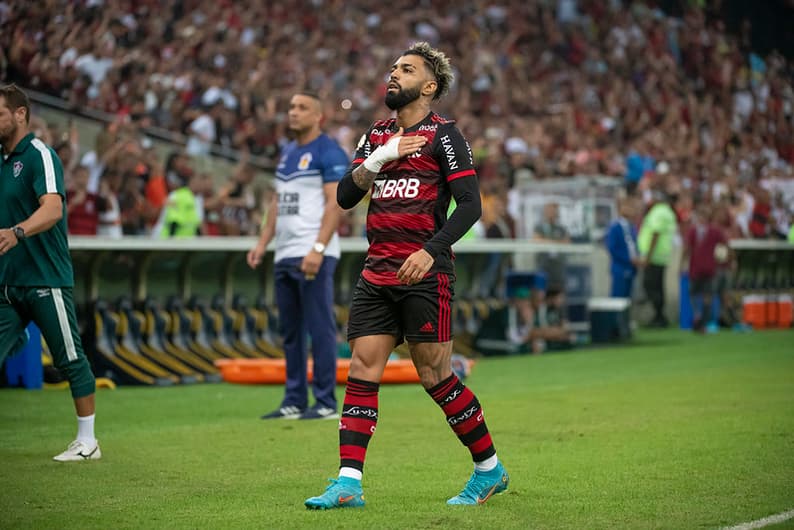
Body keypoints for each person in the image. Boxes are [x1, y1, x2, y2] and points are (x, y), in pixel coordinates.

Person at [304, 42, 508, 510]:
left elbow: (471, 206)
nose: (393, 74)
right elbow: (344, 197)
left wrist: (431, 251)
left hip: (425, 275)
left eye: (406, 69)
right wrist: (378, 160)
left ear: (429, 86)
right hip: (377, 273)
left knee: (436, 377)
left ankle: (489, 469)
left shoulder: (445, 136)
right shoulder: (376, 134)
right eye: (393, 67)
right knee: (360, 370)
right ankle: (348, 483)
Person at [0, 84, 100, 461]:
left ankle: (88, 441)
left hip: (45, 278)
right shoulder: (1, 160)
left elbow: (54, 209)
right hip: (7, 283)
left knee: (70, 358)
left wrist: (18, 232)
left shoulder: (40, 154)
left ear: (20, 114)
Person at [247, 91, 347, 420]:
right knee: (290, 330)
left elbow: (336, 204)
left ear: (319, 116)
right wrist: (263, 243)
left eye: (302, 108)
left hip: (312, 251)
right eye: (291, 107)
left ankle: (326, 401)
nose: (293, 112)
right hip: (285, 253)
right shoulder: (288, 152)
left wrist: (317, 248)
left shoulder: (328, 151)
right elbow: (278, 202)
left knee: (319, 327)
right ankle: (294, 399)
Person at [681, 203, 728, 333]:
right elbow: (725, 246)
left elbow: (687, 249)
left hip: (703, 267)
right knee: (702, 294)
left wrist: (722, 260)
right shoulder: (711, 231)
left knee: (700, 294)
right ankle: (701, 320)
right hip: (703, 267)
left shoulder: (702, 231)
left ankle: (700, 319)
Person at [638, 190, 678, 327]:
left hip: (654, 255)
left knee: (650, 286)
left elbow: (655, 233)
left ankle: (659, 315)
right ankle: (659, 316)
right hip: (661, 255)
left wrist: (648, 256)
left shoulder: (659, 212)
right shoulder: (668, 212)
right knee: (658, 287)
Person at [605, 196, 640, 298]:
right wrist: (629, 259)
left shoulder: (632, 227)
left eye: (631, 206)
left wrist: (638, 257)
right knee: (618, 298)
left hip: (631, 268)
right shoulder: (614, 227)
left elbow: (634, 245)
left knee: (628, 299)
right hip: (620, 268)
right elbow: (612, 248)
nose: (630, 209)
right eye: (627, 206)